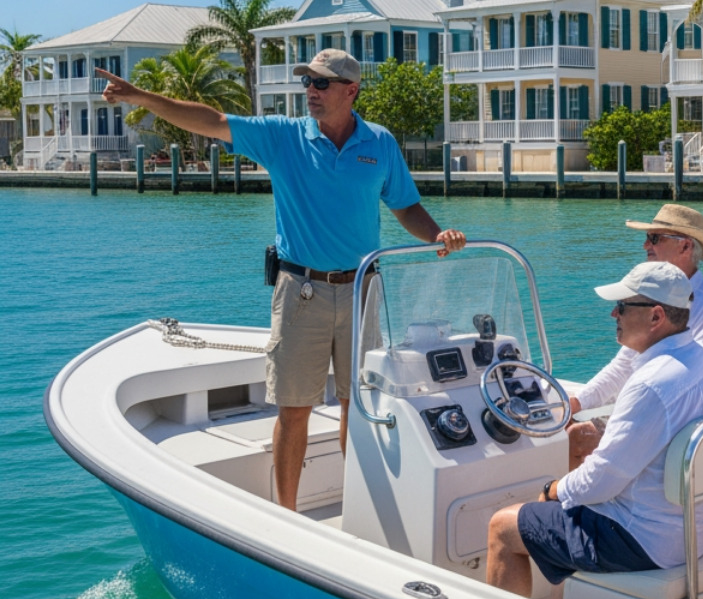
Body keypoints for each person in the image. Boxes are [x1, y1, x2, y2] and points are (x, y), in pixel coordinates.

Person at [98, 49, 465, 510]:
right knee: (294, 411)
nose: (311, 91)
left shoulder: (380, 143)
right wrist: (141, 98)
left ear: (351, 91)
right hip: (301, 291)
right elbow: (210, 120)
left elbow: (405, 205)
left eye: (322, 83)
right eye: (307, 82)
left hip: (363, 291)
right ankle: (286, 515)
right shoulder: (282, 137)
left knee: (359, 404)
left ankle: (360, 510)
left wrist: (437, 234)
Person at [485, 261, 703, 599]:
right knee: (554, 509)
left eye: (622, 306)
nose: (613, 314)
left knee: (505, 526)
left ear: (656, 317)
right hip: (692, 530)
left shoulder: (649, 385)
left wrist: (551, 490)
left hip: (644, 539)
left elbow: (601, 481)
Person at [566, 204, 703, 466]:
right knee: (568, 426)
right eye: (647, 237)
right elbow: (624, 365)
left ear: (685, 246)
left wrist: (614, 424)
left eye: (655, 238)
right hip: (660, 418)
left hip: (686, 435)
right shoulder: (655, 298)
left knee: (576, 437)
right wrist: (577, 402)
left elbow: (689, 388)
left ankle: (567, 502)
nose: (646, 245)